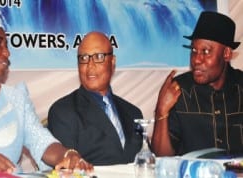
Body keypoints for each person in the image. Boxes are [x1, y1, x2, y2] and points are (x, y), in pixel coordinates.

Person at [0, 7, 93, 175]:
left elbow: (41, 141)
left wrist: (68, 155)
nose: (7, 52)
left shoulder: (15, 98)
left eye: (7, 45)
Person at [151, 11, 242, 156]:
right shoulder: (179, 91)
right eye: (194, 50)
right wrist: (161, 111)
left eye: (205, 51)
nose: (196, 60)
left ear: (226, 54)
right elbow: (162, 158)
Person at [47, 31, 143, 165]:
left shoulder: (133, 113)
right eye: (84, 58)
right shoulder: (63, 112)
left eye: (98, 57)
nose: (90, 66)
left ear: (112, 61)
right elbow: (68, 168)